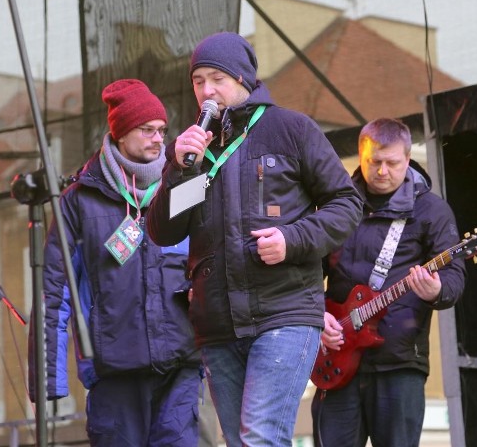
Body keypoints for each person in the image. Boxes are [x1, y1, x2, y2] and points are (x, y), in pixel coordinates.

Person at [146, 32, 362, 446]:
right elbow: (163, 231)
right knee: (241, 441)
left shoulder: (290, 129)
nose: (206, 90)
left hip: (285, 312)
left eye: (217, 78)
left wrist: (293, 238)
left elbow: (346, 203)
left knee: (260, 437)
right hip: (219, 326)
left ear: (243, 78)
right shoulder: (194, 150)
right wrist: (178, 169)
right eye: (198, 81)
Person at [30, 79, 201, 447]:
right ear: (121, 133)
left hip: (180, 367)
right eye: (146, 130)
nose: (159, 139)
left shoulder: (186, 188)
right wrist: (49, 379)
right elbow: (54, 293)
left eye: (162, 130)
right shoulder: (80, 200)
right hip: (113, 373)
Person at [311, 117, 466, 447]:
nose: (382, 171)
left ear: (408, 159)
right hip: (334, 360)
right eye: (374, 162)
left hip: (400, 363)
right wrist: (315, 315)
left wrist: (437, 290)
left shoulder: (432, 212)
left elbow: (454, 276)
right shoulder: (337, 205)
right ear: (360, 155)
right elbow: (305, 272)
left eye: (392, 163)